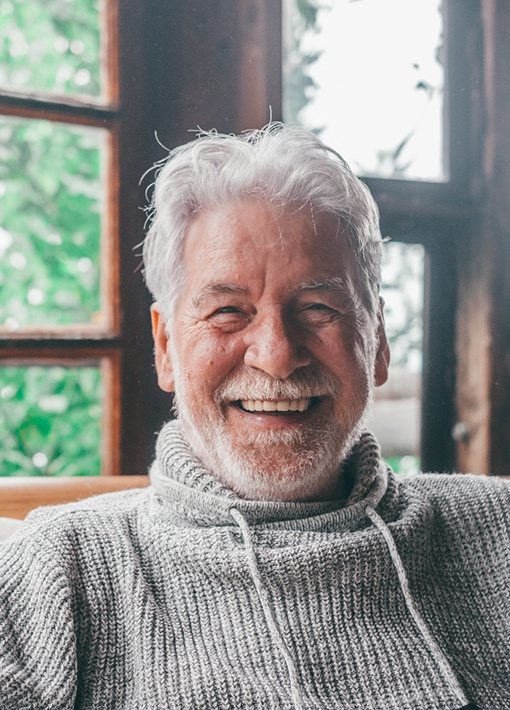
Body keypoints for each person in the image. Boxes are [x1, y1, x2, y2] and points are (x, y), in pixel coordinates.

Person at [0, 124, 508, 710]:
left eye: (318, 308)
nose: (276, 353)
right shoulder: (61, 573)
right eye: (227, 311)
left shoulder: (498, 532)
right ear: (165, 347)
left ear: (380, 342)